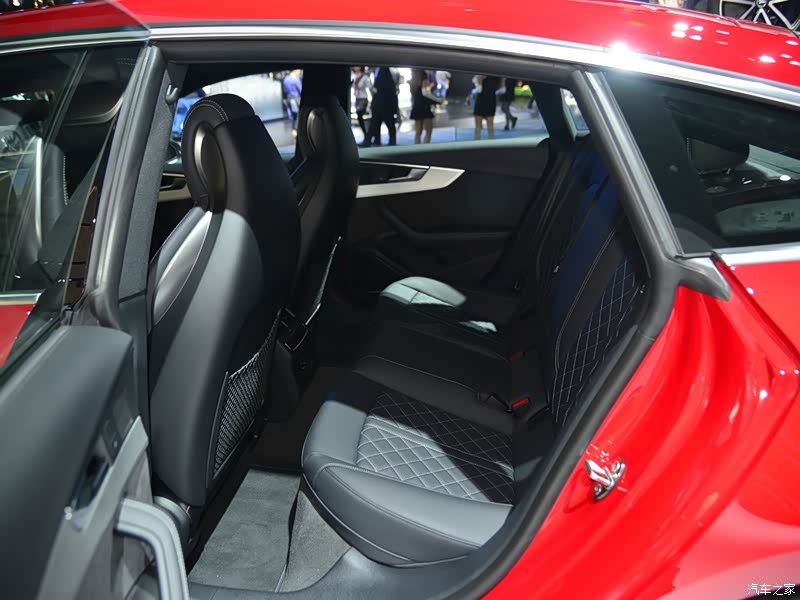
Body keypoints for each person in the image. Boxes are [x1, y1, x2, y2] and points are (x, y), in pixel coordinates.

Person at [363, 67, 397, 147]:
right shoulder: (382, 75)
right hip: (381, 105)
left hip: (384, 105)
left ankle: (371, 141)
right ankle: (374, 140)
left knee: (382, 124)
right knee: (377, 124)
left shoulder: (383, 75)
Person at [410, 69, 442, 144]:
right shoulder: (423, 78)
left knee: (418, 132)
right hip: (425, 108)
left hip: (417, 107)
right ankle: (426, 148)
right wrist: (438, 100)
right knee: (428, 131)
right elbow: (426, 94)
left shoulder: (413, 81)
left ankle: (417, 148)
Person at [473, 75, 499, 140]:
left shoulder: (480, 76)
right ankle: (490, 143)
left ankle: (477, 143)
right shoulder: (496, 76)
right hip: (490, 101)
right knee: (490, 127)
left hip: (482, 101)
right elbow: (502, 89)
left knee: (478, 127)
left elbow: (479, 89)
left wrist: (473, 91)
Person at [352, 66, 371, 140]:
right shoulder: (355, 76)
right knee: (359, 117)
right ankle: (366, 135)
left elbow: (370, 87)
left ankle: (367, 135)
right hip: (357, 98)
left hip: (363, 98)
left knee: (360, 115)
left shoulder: (365, 77)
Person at [283, 68, 302, 136]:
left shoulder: (286, 79)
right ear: (295, 70)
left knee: (293, 116)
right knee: (298, 115)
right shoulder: (296, 79)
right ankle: (297, 130)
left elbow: (285, 90)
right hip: (296, 100)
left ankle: (294, 130)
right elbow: (300, 90)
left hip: (289, 99)